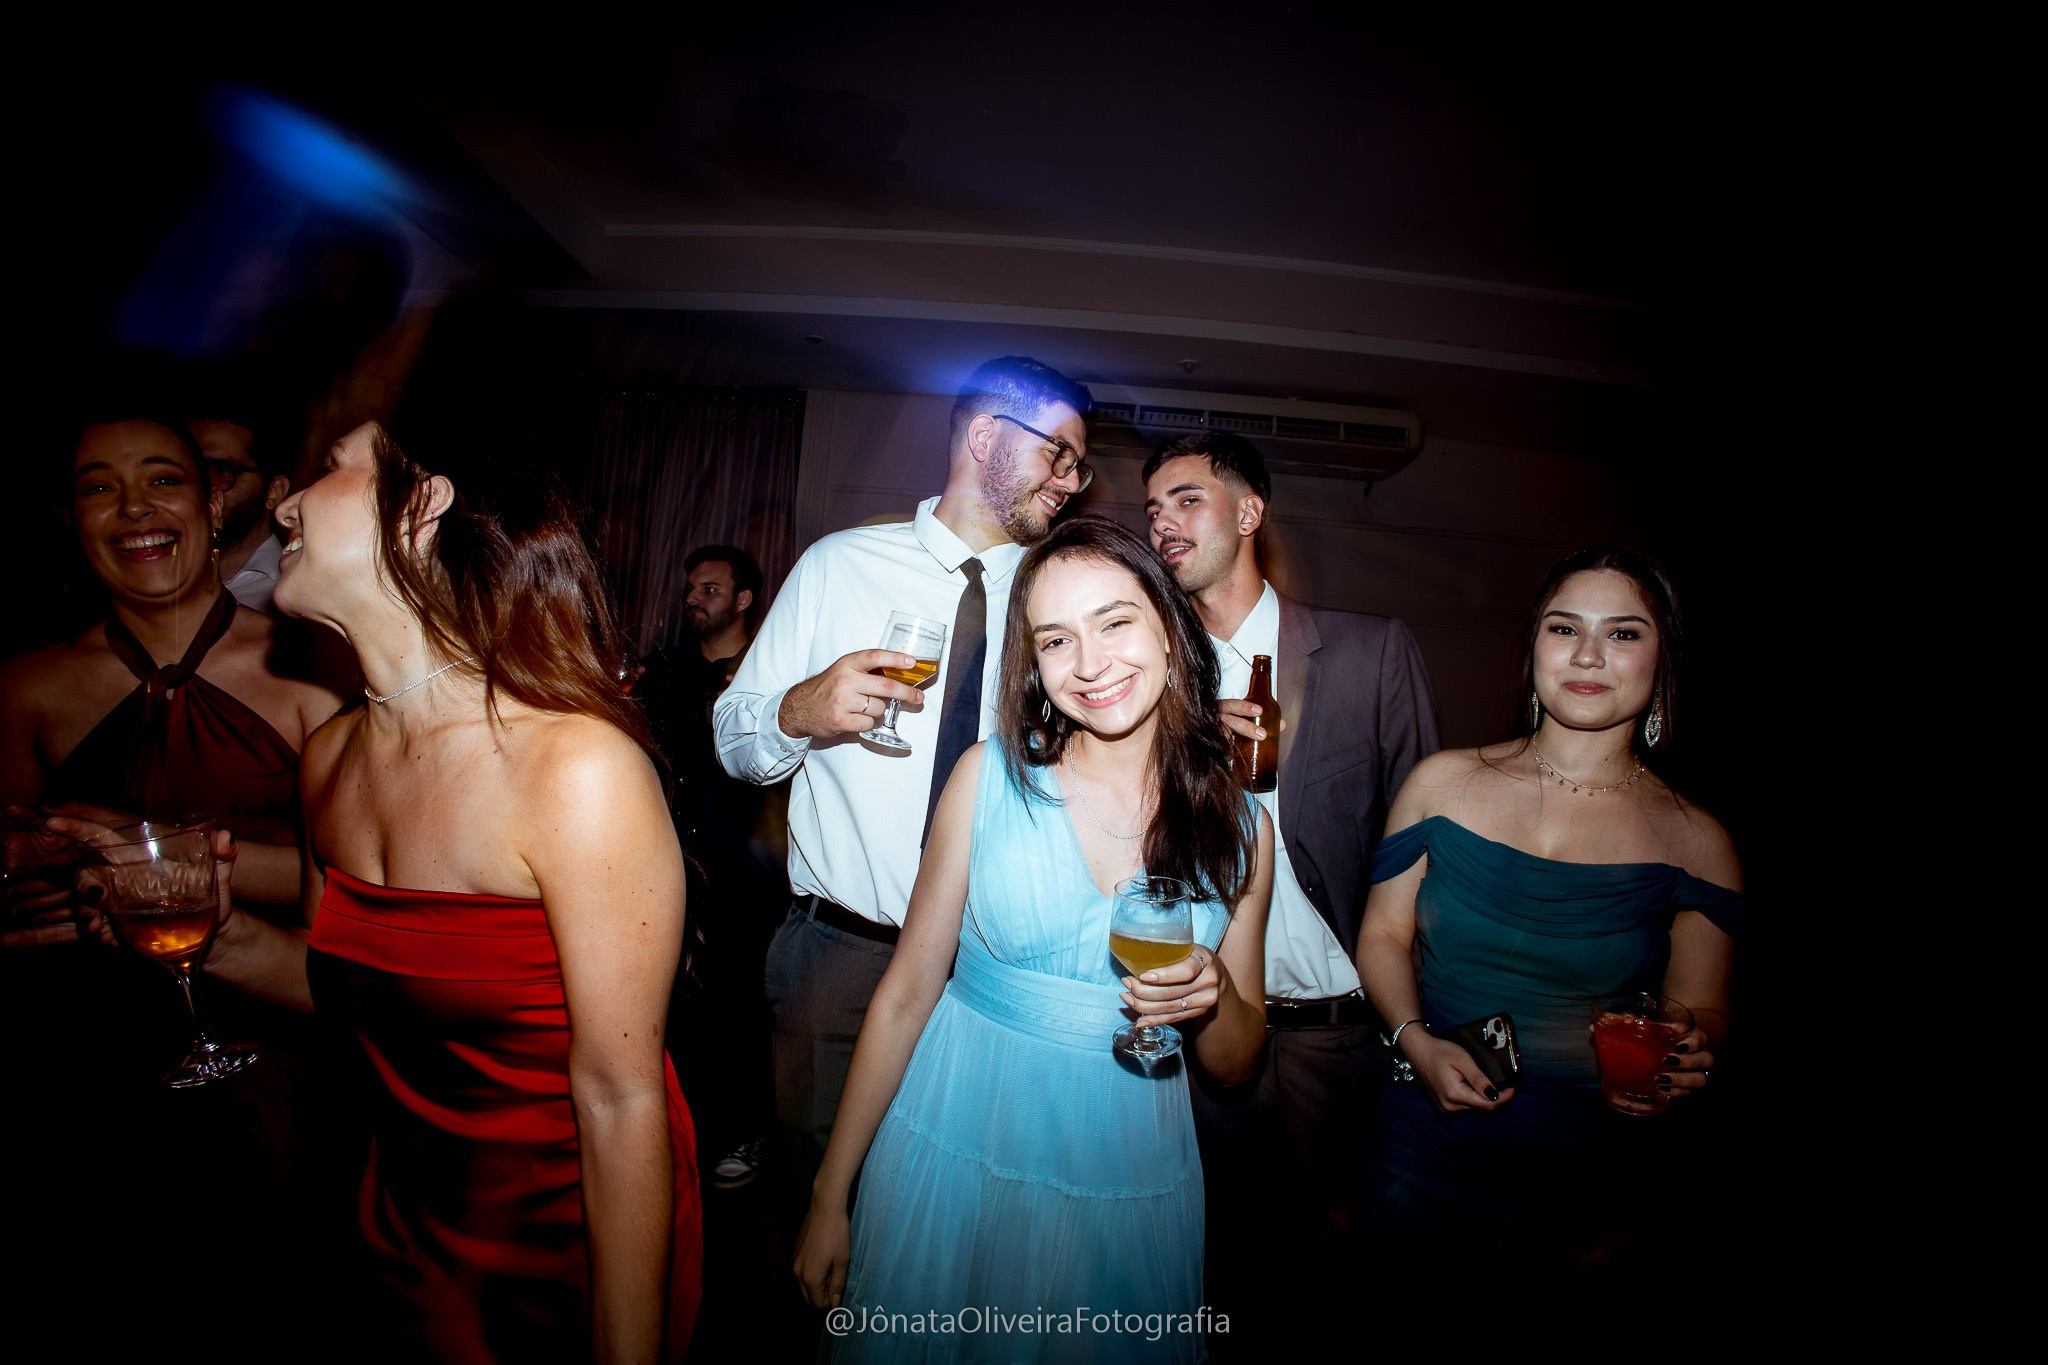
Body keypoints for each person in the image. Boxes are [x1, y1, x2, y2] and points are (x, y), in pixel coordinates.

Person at [158, 419, 702, 1360]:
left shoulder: (574, 768)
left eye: (330, 470)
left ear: (422, 505)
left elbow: (619, 1098)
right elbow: (344, 986)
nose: (284, 503)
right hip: (404, 1224)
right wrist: (212, 931)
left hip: (567, 1239)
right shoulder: (327, 759)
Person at [794, 516, 1274, 1360]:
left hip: (1125, 1177)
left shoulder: (1241, 828)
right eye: (1056, 639)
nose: (1088, 664)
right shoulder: (985, 779)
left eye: (1115, 621)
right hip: (952, 1149)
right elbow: (906, 997)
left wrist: (1214, 994)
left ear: (1170, 626)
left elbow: (1237, 1062)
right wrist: (831, 1192)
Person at [713, 355, 1093, 1220]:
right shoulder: (837, 566)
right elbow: (732, 741)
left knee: (957, 1216)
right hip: (840, 960)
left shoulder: (1059, 602)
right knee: (818, 1213)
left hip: (993, 969)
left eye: (1080, 464)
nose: (1071, 481)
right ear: (986, 436)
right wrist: (801, 709)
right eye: (1058, 454)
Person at [0, 412, 344, 1353]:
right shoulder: (28, 686)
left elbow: (348, 910)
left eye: (162, 479)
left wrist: (145, 850)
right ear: (70, 517)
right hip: (87, 1060)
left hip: (274, 1058)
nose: (133, 508)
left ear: (212, 499)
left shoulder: (311, 676)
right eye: (97, 486)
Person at [1354, 545, 1741, 1281]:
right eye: (1565, 628)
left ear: (1661, 661)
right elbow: (1383, 932)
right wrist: (1413, 1039)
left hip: (1588, 1163)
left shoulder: (1699, 841)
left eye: (1623, 632)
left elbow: (1704, 1010)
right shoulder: (1442, 782)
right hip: (1423, 1133)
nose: (1588, 653)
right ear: (1534, 644)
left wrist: (1689, 1051)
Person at [1141, 431, 1438, 1342]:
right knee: (1191, 1269)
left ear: (1249, 512)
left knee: (1318, 1280)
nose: (1162, 523)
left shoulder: (1367, 652)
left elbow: (1428, 850)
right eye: (1151, 509)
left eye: (1186, 499)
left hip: (1330, 1036)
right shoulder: (1140, 671)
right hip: (1189, 1033)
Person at [636, 544, 781, 1189]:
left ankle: (747, 1132)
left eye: (711, 589)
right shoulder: (662, 672)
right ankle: (676, 1131)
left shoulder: (767, 673)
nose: (693, 598)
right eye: (691, 587)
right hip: (668, 860)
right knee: (673, 1002)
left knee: (742, 1003)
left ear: (743, 600)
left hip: (748, 865)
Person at [192, 414, 293, 614]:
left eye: (222, 470)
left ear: (274, 491)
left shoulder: (294, 594)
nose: (202, 487)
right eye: (191, 470)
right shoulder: (144, 579)